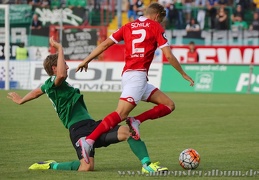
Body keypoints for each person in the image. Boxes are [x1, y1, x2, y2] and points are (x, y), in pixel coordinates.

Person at [7, 37, 168, 173]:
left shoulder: (50, 86)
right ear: (54, 68)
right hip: (78, 130)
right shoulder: (53, 84)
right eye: (64, 63)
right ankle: (51, 165)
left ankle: (147, 165)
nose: (67, 66)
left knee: (128, 131)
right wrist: (60, 48)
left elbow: (36, 92)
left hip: (92, 125)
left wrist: (21, 100)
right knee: (86, 167)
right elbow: (61, 74)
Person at [76, 2, 194, 164]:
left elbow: (104, 44)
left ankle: (136, 120)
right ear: (157, 15)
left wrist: (86, 60)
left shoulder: (128, 26)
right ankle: (88, 140)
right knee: (120, 113)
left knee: (168, 105)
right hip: (136, 77)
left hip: (132, 77)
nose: (161, 23)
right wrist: (183, 73)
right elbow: (169, 55)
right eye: (161, 20)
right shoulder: (155, 27)